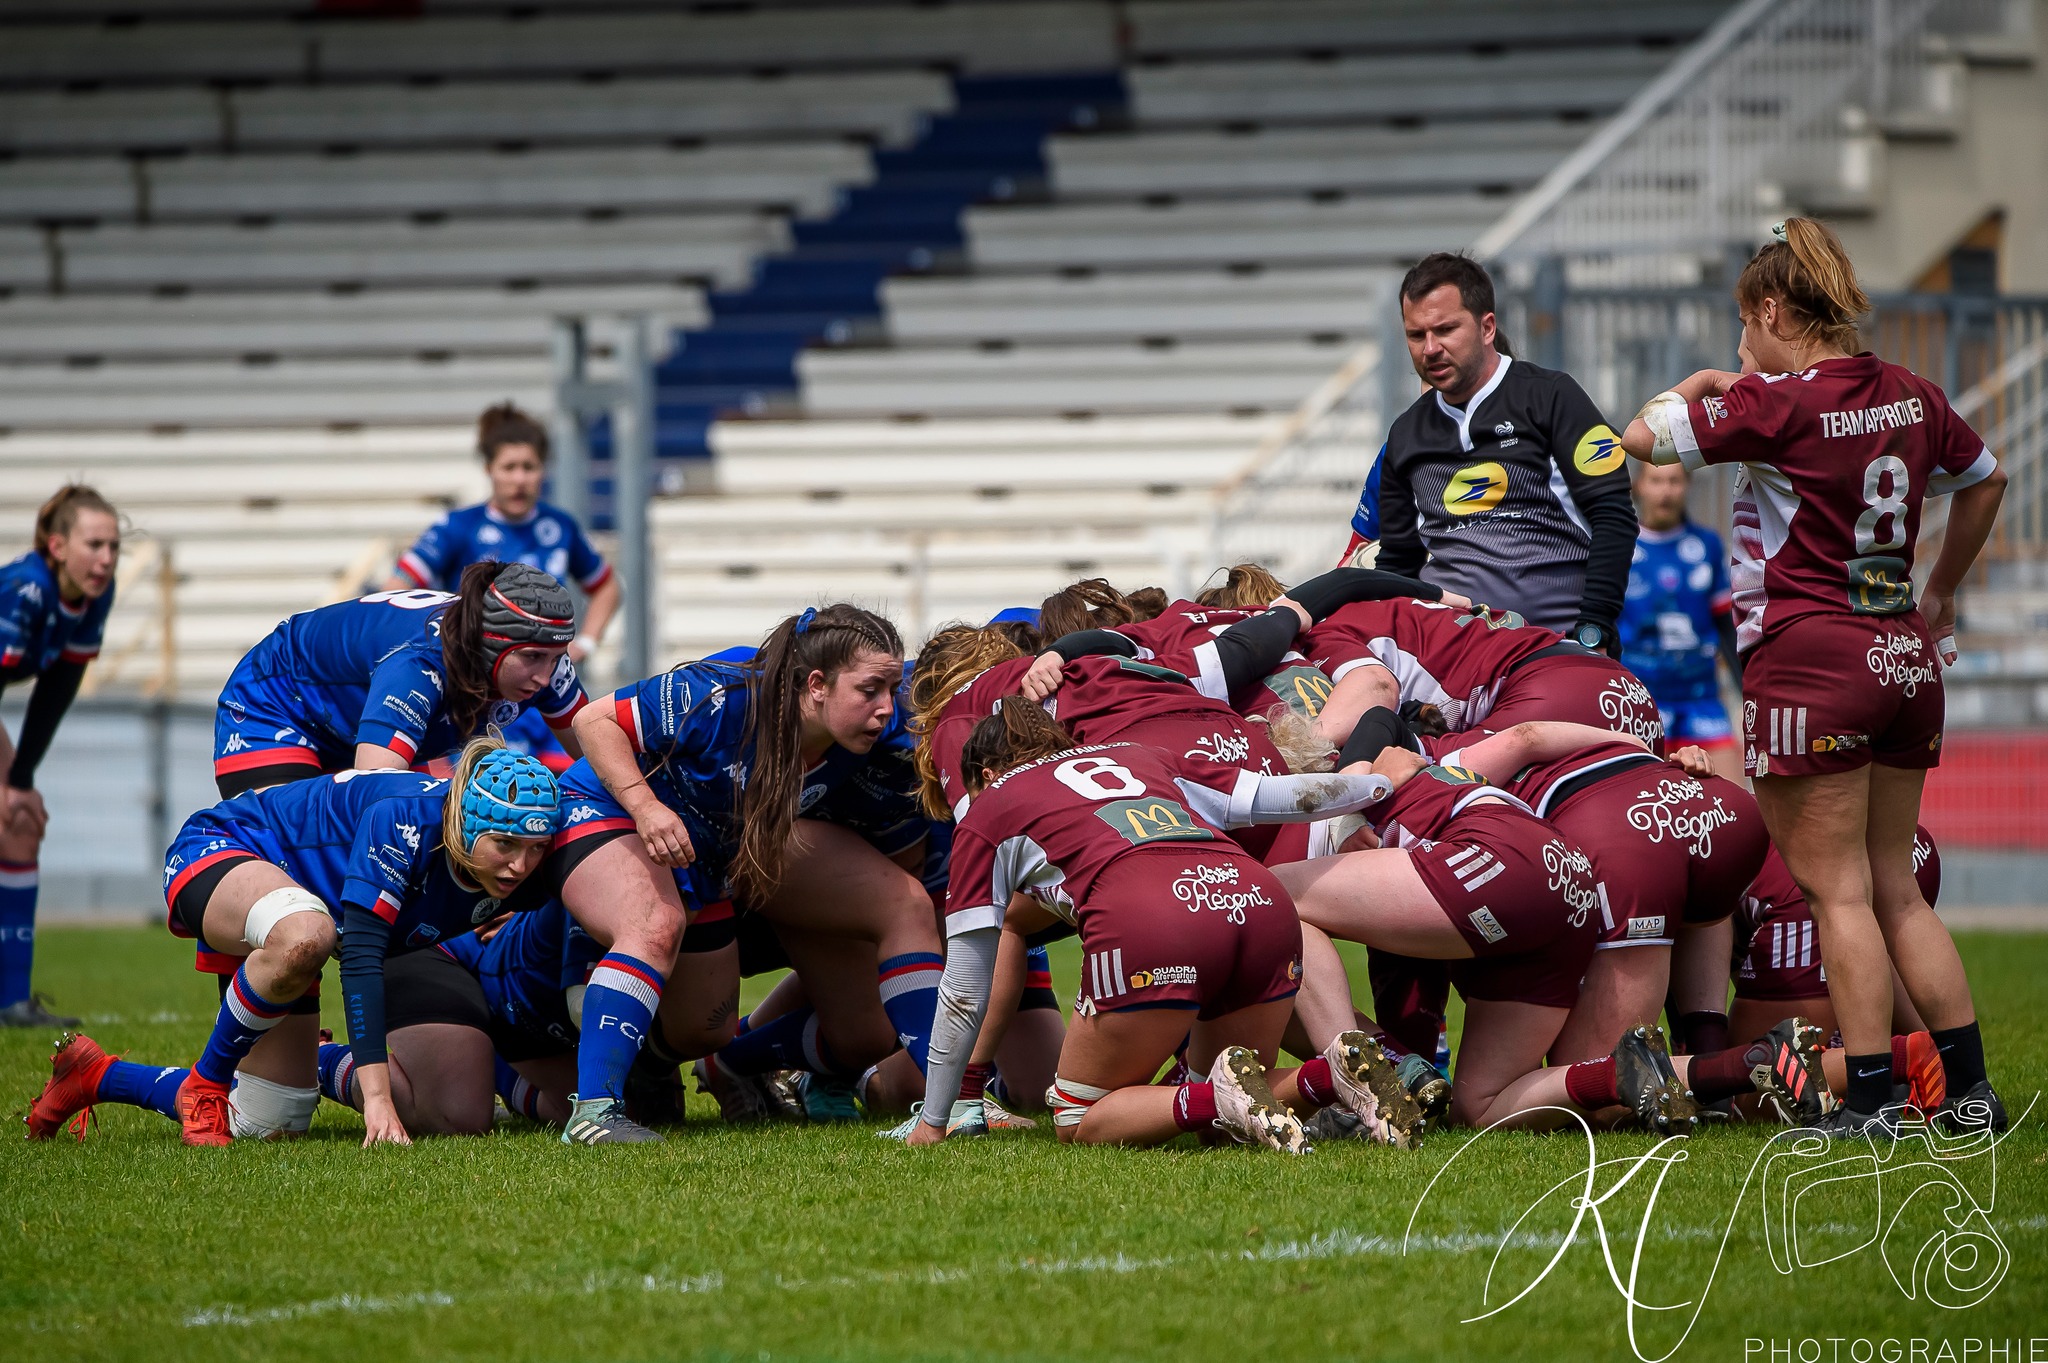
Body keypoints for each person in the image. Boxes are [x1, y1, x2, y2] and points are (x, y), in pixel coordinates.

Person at [1622, 216, 2009, 1136]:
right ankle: (1972, 1092)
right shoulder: (1910, 391)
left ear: (1770, 310)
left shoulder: (1777, 403)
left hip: (1811, 657)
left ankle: (1870, 1096)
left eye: (1743, 328)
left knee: (1837, 892)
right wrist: (1939, 594)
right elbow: (1987, 478)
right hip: (1903, 657)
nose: (1741, 348)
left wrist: (1712, 383)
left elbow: (1639, 437)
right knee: (1895, 887)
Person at [906, 704, 1406, 1152]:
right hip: (1259, 901)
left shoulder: (990, 806)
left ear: (986, 774)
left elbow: (965, 990)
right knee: (1214, 1120)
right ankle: (1327, 1076)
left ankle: (1223, 1096)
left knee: (1079, 1116)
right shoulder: (1137, 754)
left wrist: (934, 1121)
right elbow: (1283, 795)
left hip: (1152, 916)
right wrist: (1379, 785)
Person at [546, 604, 942, 1143]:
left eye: (890, 689)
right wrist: (645, 807)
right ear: (817, 684)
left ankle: (951, 1102)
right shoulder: (728, 694)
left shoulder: (883, 734)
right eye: (869, 690)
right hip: (611, 808)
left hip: (705, 853)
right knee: (653, 924)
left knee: (703, 1027)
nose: (883, 708)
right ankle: (594, 1112)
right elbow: (593, 720)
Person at [107, 742, 559, 1146]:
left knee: (272, 1120)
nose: (521, 865)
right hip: (230, 845)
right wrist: (377, 1099)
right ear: (464, 824)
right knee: (306, 934)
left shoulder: (523, 868)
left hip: (310, 912)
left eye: (537, 847)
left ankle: (101, 1075)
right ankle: (208, 1082)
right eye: (505, 843)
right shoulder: (406, 823)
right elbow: (362, 959)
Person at [1344, 252, 1638, 652]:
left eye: (1446, 329)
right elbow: (1398, 565)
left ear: (1487, 327)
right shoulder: (1405, 434)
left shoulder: (1553, 396)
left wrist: (1596, 625)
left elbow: (1614, 515)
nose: (1430, 348)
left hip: (1555, 644)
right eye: (1416, 335)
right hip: (1449, 655)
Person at [211, 562, 586, 796]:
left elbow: (602, 756)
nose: (544, 677)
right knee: (298, 849)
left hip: (351, 723)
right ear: (489, 644)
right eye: (533, 659)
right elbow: (373, 793)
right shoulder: (420, 665)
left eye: (557, 659)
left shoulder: (544, 658)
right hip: (277, 701)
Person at [0, 486, 120, 1028]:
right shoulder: (24, 590)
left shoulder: (95, 595)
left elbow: (58, 688)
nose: (106, 558)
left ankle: (12, 1003)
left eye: (114, 546)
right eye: (94, 544)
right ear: (56, 545)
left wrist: (19, 781)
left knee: (20, 825)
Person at [390, 403, 618, 668]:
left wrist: (586, 642)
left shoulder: (561, 527)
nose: (519, 479)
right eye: (509, 467)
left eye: (529, 467)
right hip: (475, 679)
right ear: (489, 470)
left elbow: (606, 587)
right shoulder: (459, 526)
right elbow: (396, 588)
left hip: (544, 683)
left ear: (543, 469)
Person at [1622, 462, 1743, 781]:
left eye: (1674, 481)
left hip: (1700, 699)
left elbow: (1726, 627)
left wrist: (1747, 693)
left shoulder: (1707, 544)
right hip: (1641, 703)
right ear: (1639, 485)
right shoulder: (1619, 546)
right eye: (1657, 480)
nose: (1666, 491)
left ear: (1688, 484)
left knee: (1734, 800)